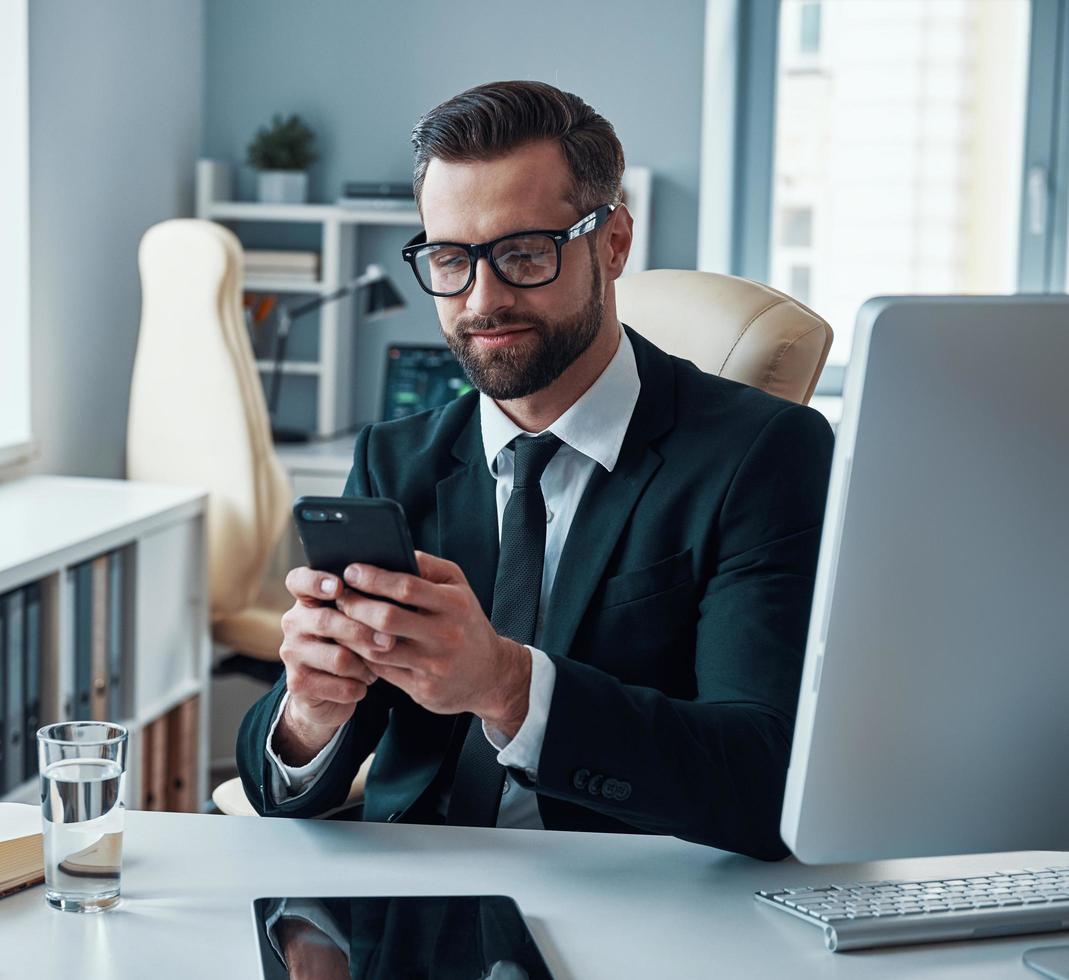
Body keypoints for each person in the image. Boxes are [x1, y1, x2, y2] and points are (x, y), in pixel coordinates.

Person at [235, 80, 833, 861]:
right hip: (416, 899)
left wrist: (510, 687)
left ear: (612, 241)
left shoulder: (764, 454)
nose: (482, 299)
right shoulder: (394, 457)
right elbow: (283, 785)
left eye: (522, 253)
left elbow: (761, 777)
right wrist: (311, 711)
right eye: (449, 258)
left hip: (635, 898)